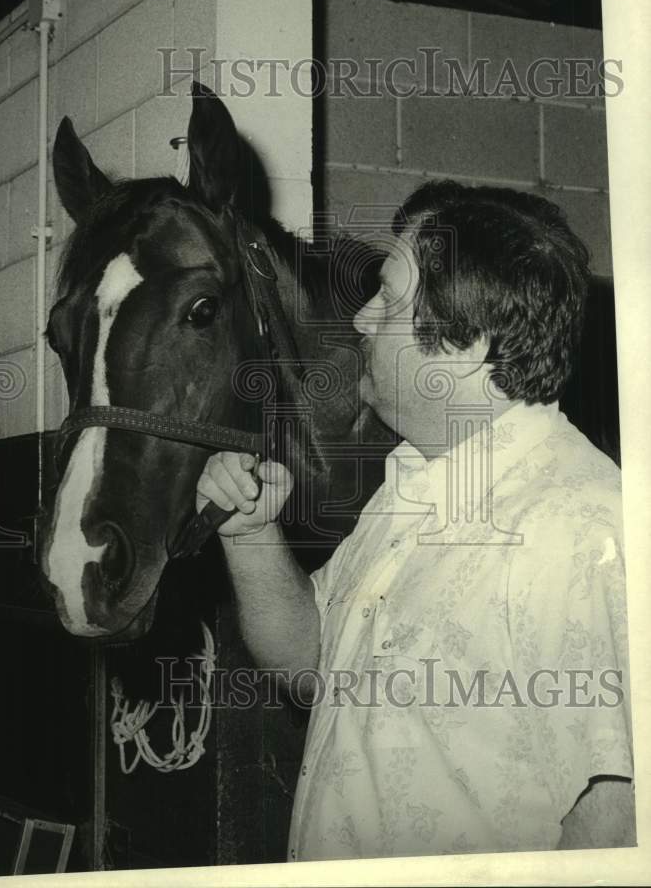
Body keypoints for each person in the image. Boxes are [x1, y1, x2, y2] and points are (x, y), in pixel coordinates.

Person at [195, 180, 634, 859]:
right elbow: (312, 663)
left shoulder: (577, 527)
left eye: (389, 301)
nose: (362, 320)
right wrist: (250, 535)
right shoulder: (411, 483)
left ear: (465, 345)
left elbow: (613, 827)